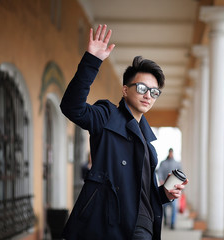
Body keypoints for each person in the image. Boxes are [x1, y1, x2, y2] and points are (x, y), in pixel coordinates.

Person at [60, 24, 188, 240]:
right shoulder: (107, 117)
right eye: (141, 88)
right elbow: (72, 107)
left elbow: (142, 196)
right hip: (111, 227)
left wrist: (164, 194)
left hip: (143, 229)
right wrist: (92, 60)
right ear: (125, 90)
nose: (148, 95)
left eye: (154, 92)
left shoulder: (149, 145)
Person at [157, 148, 182, 230]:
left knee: (174, 207)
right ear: (169, 153)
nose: (171, 154)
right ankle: (165, 221)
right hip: (165, 186)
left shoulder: (177, 163)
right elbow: (159, 172)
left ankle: (172, 223)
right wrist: (161, 180)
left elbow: (181, 174)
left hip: (174, 188)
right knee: (164, 206)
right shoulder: (163, 163)